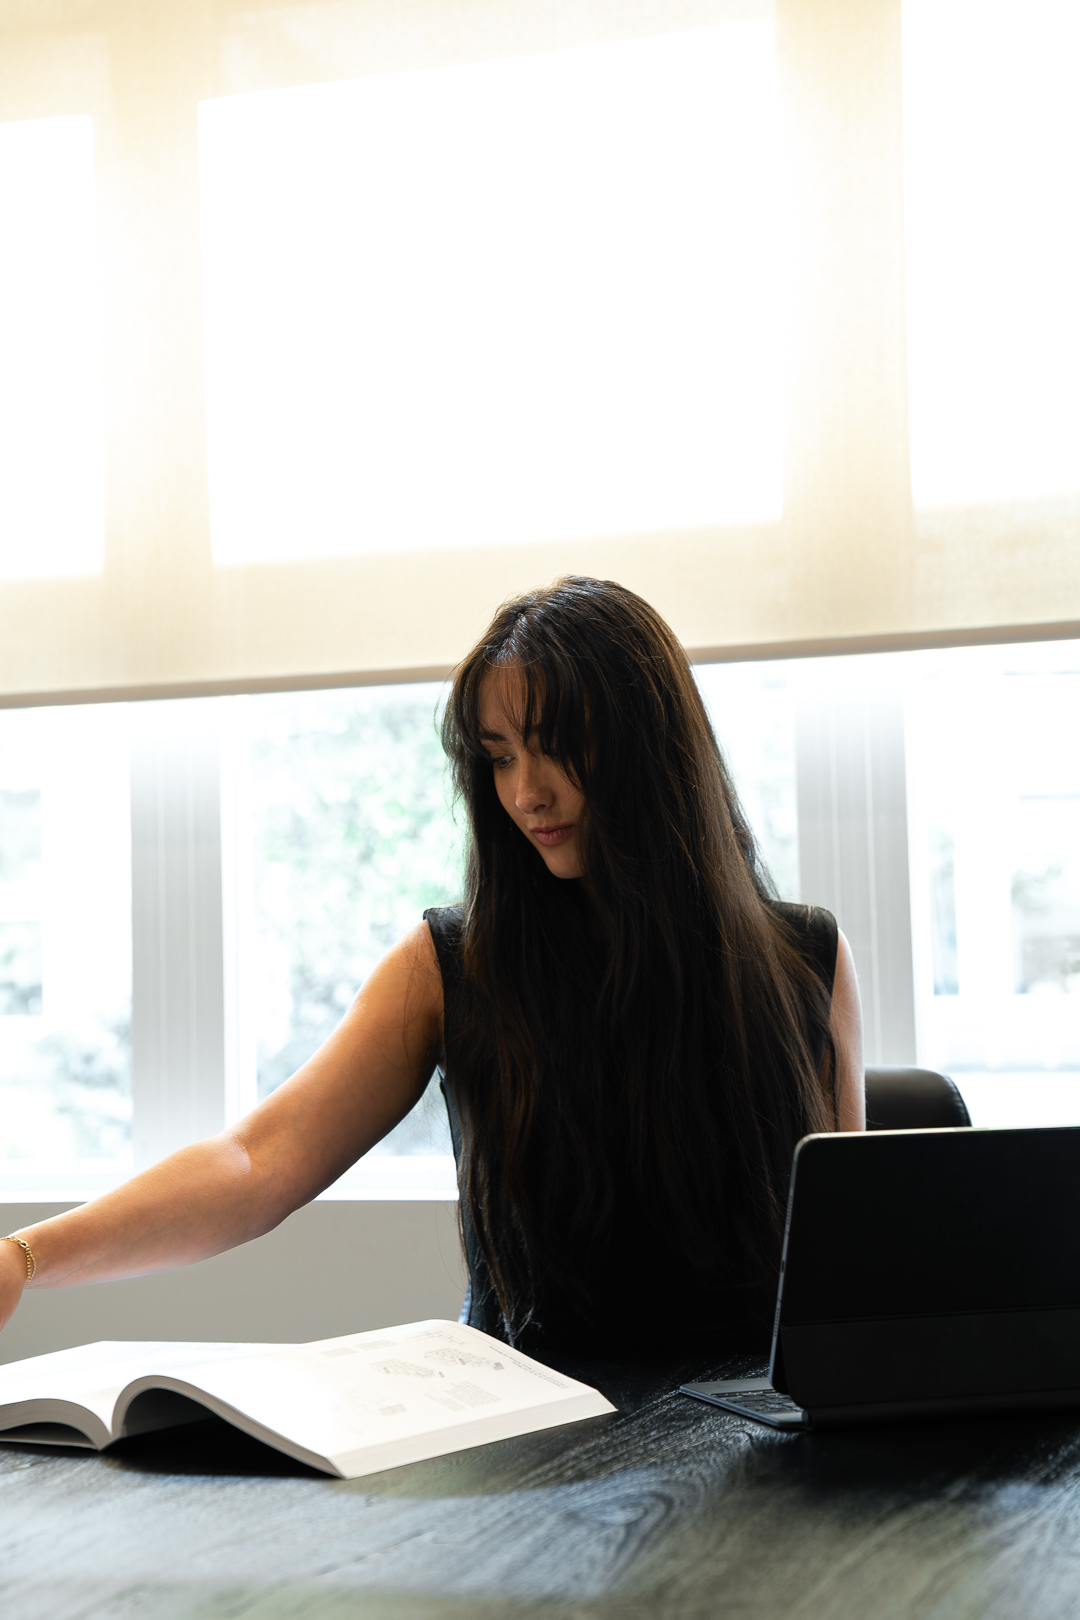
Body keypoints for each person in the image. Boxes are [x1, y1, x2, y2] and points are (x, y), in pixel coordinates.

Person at [0, 578, 862, 1358]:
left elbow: (846, 1257)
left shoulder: (807, 959)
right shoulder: (450, 966)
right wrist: (23, 1258)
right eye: (498, 756)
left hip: (758, 1435)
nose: (526, 792)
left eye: (555, 746)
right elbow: (255, 1162)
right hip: (535, 1443)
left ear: (649, 747)